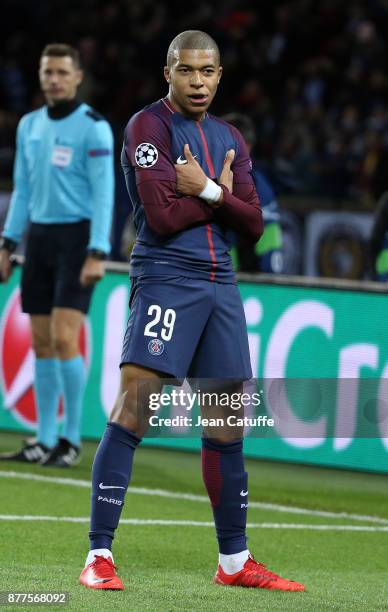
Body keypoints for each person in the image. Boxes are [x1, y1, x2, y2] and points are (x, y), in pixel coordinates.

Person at [79, 31, 304, 592]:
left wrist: (205, 191)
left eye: (208, 72)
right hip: (166, 280)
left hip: (221, 286)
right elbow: (158, 218)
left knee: (228, 425)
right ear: (169, 73)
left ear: (220, 76)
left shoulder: (229, 136)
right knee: (134, 410)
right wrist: (223, 199)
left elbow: (253, 225)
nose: (198, 81)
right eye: (187, 71)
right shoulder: (146, 128)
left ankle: (234, 561)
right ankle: (99, 556)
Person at [0, 44, 114, 467]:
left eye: (63, 72)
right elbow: (23, 191)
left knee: (66, 339)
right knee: (43, 343)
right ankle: (43, 439)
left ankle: (70, 439)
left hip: (78, 239)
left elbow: (105, 195)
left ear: (78, 77)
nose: (54, 79)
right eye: (48, 72)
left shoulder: (94, 128)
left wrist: (97, 250)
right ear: (41, 75)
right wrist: (7, 244)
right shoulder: (29, 125)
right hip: (40, 239)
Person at [222, 113, 283, 274]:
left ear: (245, 147)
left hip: (243, 288)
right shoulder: (203, 180)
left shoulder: (261, 191)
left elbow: (269, 259)